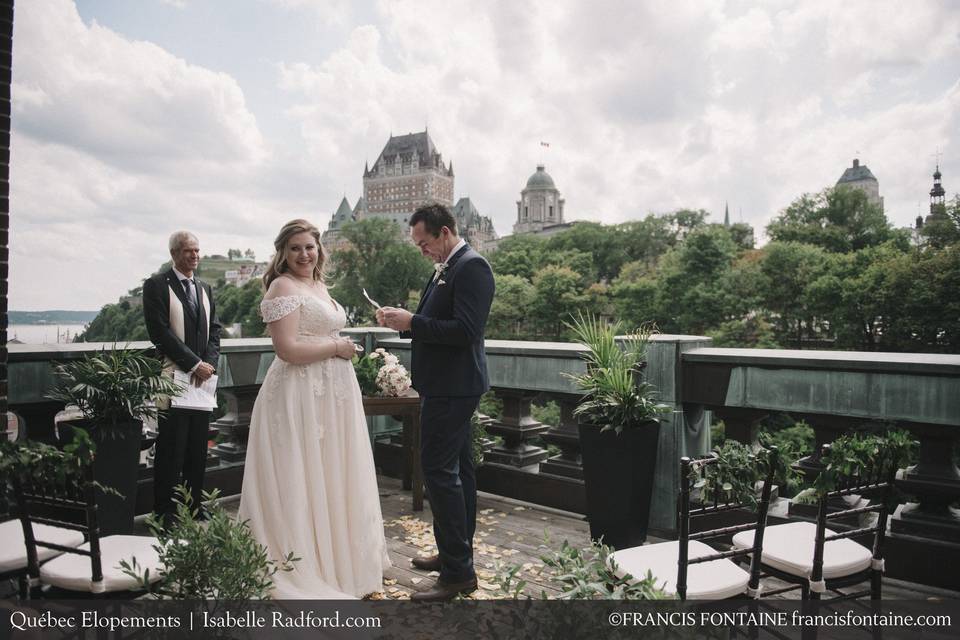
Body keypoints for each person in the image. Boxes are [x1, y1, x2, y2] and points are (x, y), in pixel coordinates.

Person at [238, 219, 390, 599]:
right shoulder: (282, 287)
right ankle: (303, 564)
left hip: (333, 395)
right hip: (298, 394)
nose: (305, 254)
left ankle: (338, 564)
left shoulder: (318, 285)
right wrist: (339, 348)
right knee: (300, 472)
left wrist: (339, 348)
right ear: (283, 254)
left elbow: (321, 331)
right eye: (295, 248)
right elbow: (287, 350)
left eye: (310, 246)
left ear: (320, 249)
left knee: (332, 471)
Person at [377, 203, 495, 602]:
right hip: (444, 385)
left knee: (439, 473)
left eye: (424, 243)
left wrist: (412, 322)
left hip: (454, 387)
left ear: (444, 233)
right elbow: (436, 322)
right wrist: (406, 323)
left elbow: (465, 330)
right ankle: (453, 556)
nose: (421, 251)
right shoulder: (447, 264)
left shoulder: (472, 266)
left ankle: (459, 573)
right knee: (457, 472)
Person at [143, 231, 222, 526]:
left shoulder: (204, 288)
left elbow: (215, 330)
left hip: (202, 381)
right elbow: (159, 333)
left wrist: (210, 365)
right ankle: (164, 512)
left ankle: (194, 506)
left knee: (196, 449)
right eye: (189, 251)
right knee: (170, 449)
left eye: (197, 251)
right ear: (175, 253)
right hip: (172, 377)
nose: (195, 256)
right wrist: (193, 364)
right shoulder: (156, 285)